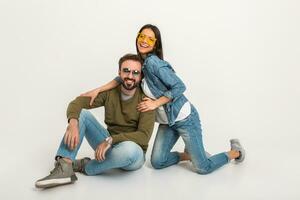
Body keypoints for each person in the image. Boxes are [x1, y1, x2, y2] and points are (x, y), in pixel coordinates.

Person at [81, 24, 245, 174]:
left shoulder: (153, 63)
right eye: (142, 36)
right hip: (168, 121)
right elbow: (122, 78)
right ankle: (187, 155)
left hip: (185, 118)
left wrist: (155, 103)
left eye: (150, 39)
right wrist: (99, 89)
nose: (144, 41)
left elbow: (180, 86)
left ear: (155, 44)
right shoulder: (141, 63)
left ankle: (234, 152)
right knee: (158, 162)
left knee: (203, 167)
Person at [35, 54, 155, 188]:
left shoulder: (147, 101)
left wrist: (111, 140)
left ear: (141, 77)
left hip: (132, 154)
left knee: (129, 150)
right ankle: (65, 166)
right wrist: (73, 123)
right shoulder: (110, 92)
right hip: (107, 144)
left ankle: (86, 167)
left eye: (136, 73)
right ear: (119, 72)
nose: (130, 76)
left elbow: (143, 137)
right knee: (82, 114)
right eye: (126, 70)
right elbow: (77, 103)